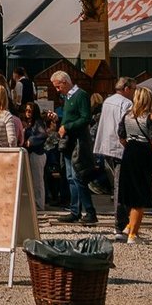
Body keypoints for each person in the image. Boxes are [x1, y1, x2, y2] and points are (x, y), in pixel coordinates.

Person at [117, 84, 152, 245]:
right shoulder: (151, 117)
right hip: (144, 154)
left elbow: (121, 136)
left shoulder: (126, 116)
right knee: (140, 196)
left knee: (130, 192)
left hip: (129, 152)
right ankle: (133, 234)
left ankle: (129, 226)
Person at [95, 77, 136, 234]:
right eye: (133, 89)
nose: (134, 92)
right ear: (126, 88)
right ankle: (120, 225)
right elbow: (125, 127)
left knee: (117, 186)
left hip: (107, 147)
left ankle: (121, 223)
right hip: (120, 148)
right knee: (121, 187)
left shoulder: (108, 101)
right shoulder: (126, 103)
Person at [55, 72, 96, 224]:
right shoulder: (68, 98)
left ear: (65, 82)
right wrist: (60, 121)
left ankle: (90, 211)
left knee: (78, 177)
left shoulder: (81, 95)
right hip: (69, 142)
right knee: (71, 178)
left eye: (58, 86)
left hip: (78, 142)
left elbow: (86, 118)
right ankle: (75, 211)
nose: (57, 90)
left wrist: (67, 126)